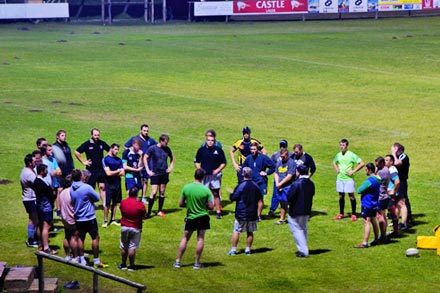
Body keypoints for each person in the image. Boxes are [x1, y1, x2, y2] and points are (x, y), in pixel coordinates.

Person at [174, 168, 214, 269]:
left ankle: (178, 261)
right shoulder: (206, 190)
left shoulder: (186, 188)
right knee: (200, 239)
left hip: (190, 216)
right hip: (203, 216)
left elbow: (181, 204)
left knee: (185, 238)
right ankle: (197, 263)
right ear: (203, 177)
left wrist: (188, 205)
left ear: (194, 176)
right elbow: (211, 206)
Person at [70, 169, 108, 268]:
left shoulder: (71, 188)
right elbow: (97, 198)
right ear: (80, 177)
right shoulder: (86, 187)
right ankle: (96, 260)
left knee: (81, 238)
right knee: (95, 237)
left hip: (78, 218)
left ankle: (82, 259)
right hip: (89, 217)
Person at [227, 167, 263, 256]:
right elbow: (259, 198)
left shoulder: (240, 186)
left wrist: (230, 194)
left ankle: (233, 250)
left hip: (241, 213)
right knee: (250, 232)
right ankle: (248, 249)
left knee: (236, 231)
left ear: (243, 174)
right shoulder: (256, 186)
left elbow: (234, 197)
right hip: (252, 213)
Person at [194, 133, 227, 219]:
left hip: (214, 176)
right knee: (203, 193)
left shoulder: (219, 150)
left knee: (216, 193)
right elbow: (196, 161)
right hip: (204, 176)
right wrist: (200, 169)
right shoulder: (201, 150)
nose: (210, 142)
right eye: (208, 140)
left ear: (214, 141)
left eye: (212, 140)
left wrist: (217, 170)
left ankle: (218, 211)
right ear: (206, 140)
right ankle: (201, 211)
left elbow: (224, 163)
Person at [75, 128, 110, 204]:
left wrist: (106, 159)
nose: (97, 137)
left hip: (101, 169)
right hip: (91, 170)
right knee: (91, 188)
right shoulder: (87, 144)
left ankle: (105, 204)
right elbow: (77, 152)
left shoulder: (101, 143)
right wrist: (84, 162)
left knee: (102, 187)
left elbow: (110, 150)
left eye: (98, 135)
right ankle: (91, 203)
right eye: (95, 135)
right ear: (91, 135)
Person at [143, 134, 175, 218]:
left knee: (162, 192)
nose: (166, 144)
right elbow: (145, 157)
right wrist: (148, 170)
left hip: (164, 173)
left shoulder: (167, 149)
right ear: (161, 141)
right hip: (155, 173)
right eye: (165, 142)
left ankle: (159, 210)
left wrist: (170, 167)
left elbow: (172, 158)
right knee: (153, 193)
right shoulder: (153, 148)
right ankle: (149, 212)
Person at [286, 164, 315, 257]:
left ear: (298, 172)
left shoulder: (297, 183)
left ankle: (303, 251)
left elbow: (290, 196)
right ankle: (302, 249)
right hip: (306, 209)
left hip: (296, 210)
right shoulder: (311, 183)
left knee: (297, 230)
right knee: (303, 229)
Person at [332, 138, 365, 221]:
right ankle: (341, 213)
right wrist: (336, 169)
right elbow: (334, 162)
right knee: (341, 196)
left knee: (351, 197)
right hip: (340, 178)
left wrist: (353, 171)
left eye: (343, 145)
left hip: (349, 179)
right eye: (340, 145)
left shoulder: (351, 155)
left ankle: (354, 214)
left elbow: (362, 163)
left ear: (347, 146)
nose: (341, 147)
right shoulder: (338, 155)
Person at [124, 124, 157, 203]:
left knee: (145, 180)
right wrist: (134, 152)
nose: (146, 132)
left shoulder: (150, 140)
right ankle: (133, 197)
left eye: (147, 131)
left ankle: (143, 197)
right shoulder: (135, 139)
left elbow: (156, 146)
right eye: (144, 131)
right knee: (137, 180)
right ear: (140, 130)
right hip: (137, 163)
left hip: (147, 164)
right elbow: (125, 146)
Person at [242, 142, 275, 220]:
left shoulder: (263, 158)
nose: (253, 151)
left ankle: (258, 216)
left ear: (257, 149)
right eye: (251, 149)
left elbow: (273, 166)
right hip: (251, 182)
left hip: (261, 181)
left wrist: (266, 173)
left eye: (254, 149)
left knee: (259, 198)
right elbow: (243, 168)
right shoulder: (248, 158)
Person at [119, 187, 146, 271]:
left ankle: (123, 264)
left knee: (124, 246)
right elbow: (144, 215)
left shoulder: (123, 202)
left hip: (124, 226)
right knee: (132, 246)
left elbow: (122, 210)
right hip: (135, 227)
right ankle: (131, 265)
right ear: (136, 194)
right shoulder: (140, 204)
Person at [354, 163, 380, 248]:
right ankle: (376, 239)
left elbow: (359, 190)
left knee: (366, 222)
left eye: (366, 170)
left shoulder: (369, 181)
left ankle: (365, 243)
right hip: (374, 203)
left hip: (367, 203)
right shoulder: (378, 179)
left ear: (369, 170)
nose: (365, 171)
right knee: (373, 221)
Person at [32, 164, 55, 254]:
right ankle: (46, 247)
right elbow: (50, 194)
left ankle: (40, 245)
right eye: (46, 170)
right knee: (46, 226)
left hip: (39, 205)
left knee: (40, 225)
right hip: (46, 206)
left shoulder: (35, 181)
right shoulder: (42, 183)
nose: (47, 172)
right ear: (42, 171)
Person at [102, 143, 125, 227]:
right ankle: (105, 220)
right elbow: (108, 173)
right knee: (107, 203)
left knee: (115, 203)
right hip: (108, 184)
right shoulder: (105, 159)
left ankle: (113, 219)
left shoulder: (119, 160)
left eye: (117, 149)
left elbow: (122, 173)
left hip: (117, 184)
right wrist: (117, 171)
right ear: (111, 149)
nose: (117, 151)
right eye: (115, 149)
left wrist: (114, 172)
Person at [267, 139, 291, 218]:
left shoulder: (291, 155)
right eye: (281, 146)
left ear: (286, 146)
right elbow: (272, 166)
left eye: (283, 146)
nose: (282, 147)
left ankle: (289, 210)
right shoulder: (275, 155)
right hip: (277, 179)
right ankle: (272, 210)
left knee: (288, 195)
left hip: (287, 180)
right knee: (275, 195)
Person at [20, 154, 39, 248]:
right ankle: (31, 240)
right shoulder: (29, 174)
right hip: (30, 199)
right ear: (30, 163)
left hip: (28, 198)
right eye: (34, 161)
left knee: (33, 219)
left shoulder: (26, 170)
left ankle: (33, 238)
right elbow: (38, 184)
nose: (36, 162)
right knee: (33, 220)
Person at [273, 148, 296, 225]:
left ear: (287, 155)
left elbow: (289, 176)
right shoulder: (279, 162)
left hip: (288, 187)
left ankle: (293, 219)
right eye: (281, 156)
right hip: (280, 186)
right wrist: (277, 183)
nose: (282, 158)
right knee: (282, 203)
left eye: (283, 156)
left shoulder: (291, 163)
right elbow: (276, 173)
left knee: (291, 203)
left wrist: (280, 184)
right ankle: (282, 219)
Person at [58, 175, 78, 260]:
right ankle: (75, 256)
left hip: (64, 217)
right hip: (72, 217)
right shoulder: (72, 192)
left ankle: (67, 255)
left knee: (67, 236)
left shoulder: (62, 192)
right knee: (74, 237)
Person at [392, 142, 411, 228]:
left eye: (393, 148)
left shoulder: (403, 156)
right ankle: (396, 221)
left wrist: (393, 154)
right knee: (397, 202)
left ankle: (405, 221)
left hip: (401, 181)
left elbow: (397, 163)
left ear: (397, 149)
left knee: (402, 201)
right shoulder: (397, 156)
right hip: (396, 181)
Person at [41, 144, 62, 216]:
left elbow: (59, 171)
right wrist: (55, 172)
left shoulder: (53, 159)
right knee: (49, 205)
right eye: (49, 150)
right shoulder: (42, 162)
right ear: (44, 152)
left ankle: (50, 222)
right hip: (48, 185)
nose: (51, 151)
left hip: (55, 184)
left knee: (52, 204)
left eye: (51, 149)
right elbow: (52, 173)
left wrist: (55, 172)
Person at [375, 156, 391, 243]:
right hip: (385, 196)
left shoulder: (381, 172)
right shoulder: (387, 169)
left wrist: (376, 171)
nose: (376, 166)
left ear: (382, 163)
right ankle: (384, 234)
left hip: (380, 197)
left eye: (377, 165)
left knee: (379, 216)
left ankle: (383, 236)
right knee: (384, 215)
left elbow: (373, 178)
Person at [385, 154, 400, 236]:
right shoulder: (389, 169)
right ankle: (395, 230)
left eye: (387, 160)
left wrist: (393, 191)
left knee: (392, 212)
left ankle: (395, 231)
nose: (385, 162)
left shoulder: (392, 170)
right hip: (388, 194)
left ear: (391, 162)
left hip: (391, 195)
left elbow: (397, 181)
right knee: (391, 212)